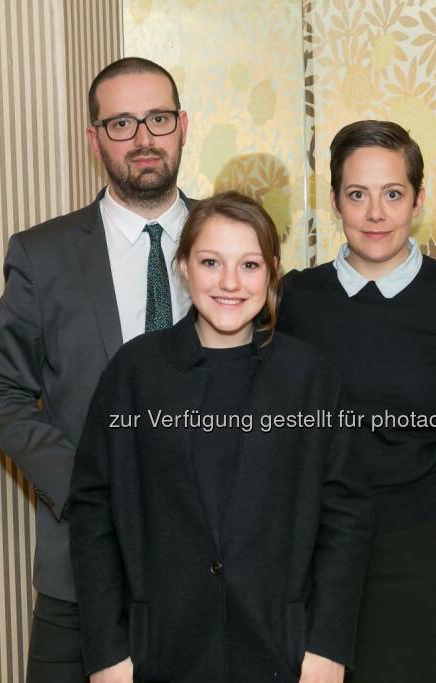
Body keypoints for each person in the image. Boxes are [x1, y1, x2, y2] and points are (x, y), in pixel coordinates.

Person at [69, 192, 373, 683]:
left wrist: (327, 647)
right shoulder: (135, 373)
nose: (230, 282)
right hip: (159, 653)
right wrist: (107, 654)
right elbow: (93, 512)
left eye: (249, 265)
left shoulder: (308, 376)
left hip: (285, 654)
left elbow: (346, 516)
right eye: (211, 262)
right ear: (184, 266)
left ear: (272, 272)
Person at [0, 57, 196, 682]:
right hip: (82, 572)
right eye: (120, 123)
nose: (143, 138)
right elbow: (1, 391)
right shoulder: (41, 254)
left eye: (156, 118)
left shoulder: (234, 241)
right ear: (93, 137)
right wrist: (90, 488)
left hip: (215, 571)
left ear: (182, 125)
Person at [277, 120, 436, 682]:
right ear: (335, 202)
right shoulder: (297, 301)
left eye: (392, 194)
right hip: (320, 545)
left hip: (431, 547)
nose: (375, 213)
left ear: (418, 200)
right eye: (358, 194)